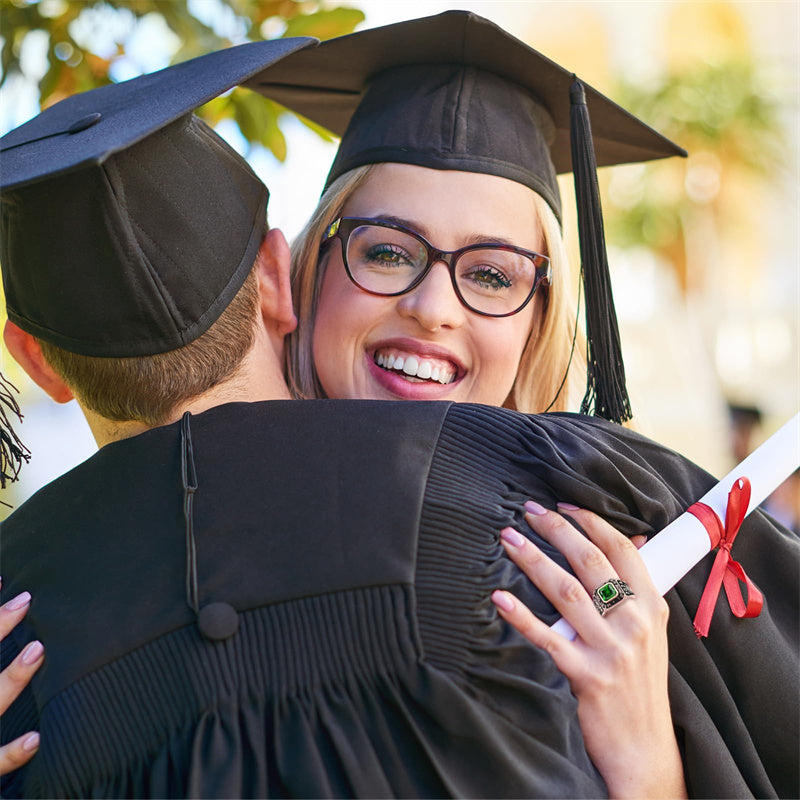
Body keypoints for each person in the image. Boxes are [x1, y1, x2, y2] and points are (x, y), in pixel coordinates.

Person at [0, 22, 797, 800]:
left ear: (541, 317)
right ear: (293, 273)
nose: (433, 307)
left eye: (491, 274)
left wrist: (653, 767)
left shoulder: (606, 535)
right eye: (385, 251)